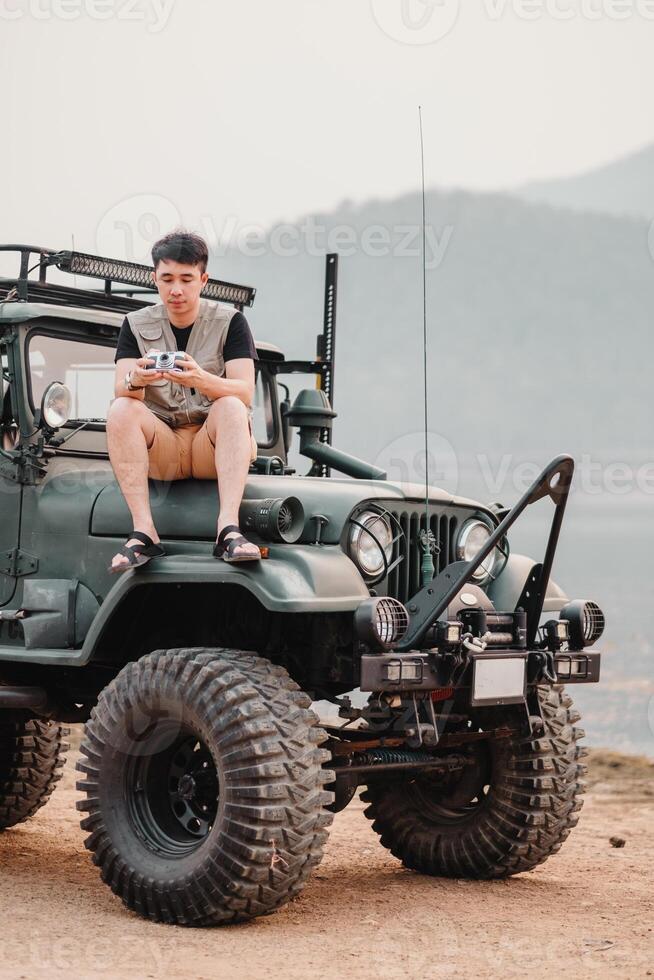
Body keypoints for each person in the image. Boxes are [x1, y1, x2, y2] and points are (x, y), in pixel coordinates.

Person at [107, 230, 261, 572]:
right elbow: (122, 389)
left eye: (186, 279)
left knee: (232, 405)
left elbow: (245, 391)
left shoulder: (231, 322)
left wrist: (200, 379)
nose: (176, 289)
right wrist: (138, 379)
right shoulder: (134, 324)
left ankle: (228, 529)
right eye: (167, 279)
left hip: (210, 444)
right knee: (121, 409)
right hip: (164, 445)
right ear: (154, 279)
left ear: (203, 279)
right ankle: (144, 531)